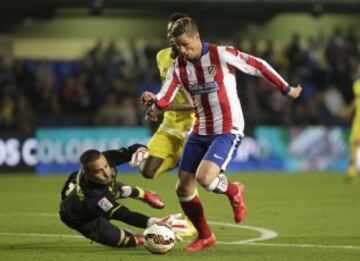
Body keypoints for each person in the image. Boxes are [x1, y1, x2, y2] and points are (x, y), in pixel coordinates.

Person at [141, 16, 302, 252]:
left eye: (187, 44)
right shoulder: (179, 67)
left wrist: (286, 89)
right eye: (179, 47)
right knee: (183, 189)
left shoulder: (221, 55)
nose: (184, 51)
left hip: (228, 128)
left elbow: (258, 65)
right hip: (200, 129)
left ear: (197, 36)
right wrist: (153, 104)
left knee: (205, 178)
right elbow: (165, 96)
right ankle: (205, 236)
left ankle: (234, 190)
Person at [59, 143, 187, 248]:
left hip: (91, 192)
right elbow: (126, 215)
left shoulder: (105, 159)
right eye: (99, 171)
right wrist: (154, 222)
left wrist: (141, 150)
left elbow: (132, 149)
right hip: (84, 219)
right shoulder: (94, 198)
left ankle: (143, 193)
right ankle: (131, 237)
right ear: (88, 174)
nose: (106, 173)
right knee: (130, 241)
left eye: (106, 166)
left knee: (121, 189)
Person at [140, 13, 194, 180]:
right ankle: (178, 158)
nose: (172, 35)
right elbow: (168, 89)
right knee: (147, 171)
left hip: (193, 123)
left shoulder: (194, 61)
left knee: (188, 179)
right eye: (170, 31)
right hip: (170, 121)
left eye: (177, 31)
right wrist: (154, 102)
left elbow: (198, 103)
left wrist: (162, 106)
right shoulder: (161, 56)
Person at [346, 61, 360, 183]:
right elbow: (356, 100)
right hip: (358, 120)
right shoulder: (356, 84)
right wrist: (349, 110)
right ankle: (352, 172)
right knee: (354, 144)